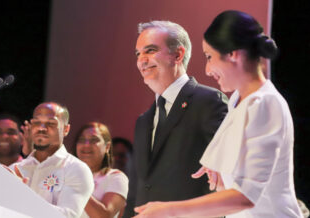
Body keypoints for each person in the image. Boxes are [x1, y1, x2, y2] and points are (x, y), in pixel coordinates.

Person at [134, 10, 303, 217]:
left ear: (233, 54)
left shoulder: (265, 103)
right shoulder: (237, 101)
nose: (207, 70)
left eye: (209, 57)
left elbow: (245, 197)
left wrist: (168, 209)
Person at [124, 20, 228, 217]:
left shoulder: (208, 101)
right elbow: (137, 189)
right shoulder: (144, 121)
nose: (141, 60)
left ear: (178, 55)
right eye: (138, 53)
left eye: (150, 50)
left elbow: (221, 177)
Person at [11, 102, 94, 218]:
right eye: (37, 122)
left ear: (66, 129)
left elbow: (67, 215)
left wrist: (24, 197)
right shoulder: (16, 169)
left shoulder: (76, 169)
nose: (41, 128)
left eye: (51, 123)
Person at [73, 122, 129, 218]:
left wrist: (75, 185)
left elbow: (104, 216)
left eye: (94, 140)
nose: (86, 145)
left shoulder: (116, 177)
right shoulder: (64, 173)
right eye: (82, 140)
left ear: (107, 147)